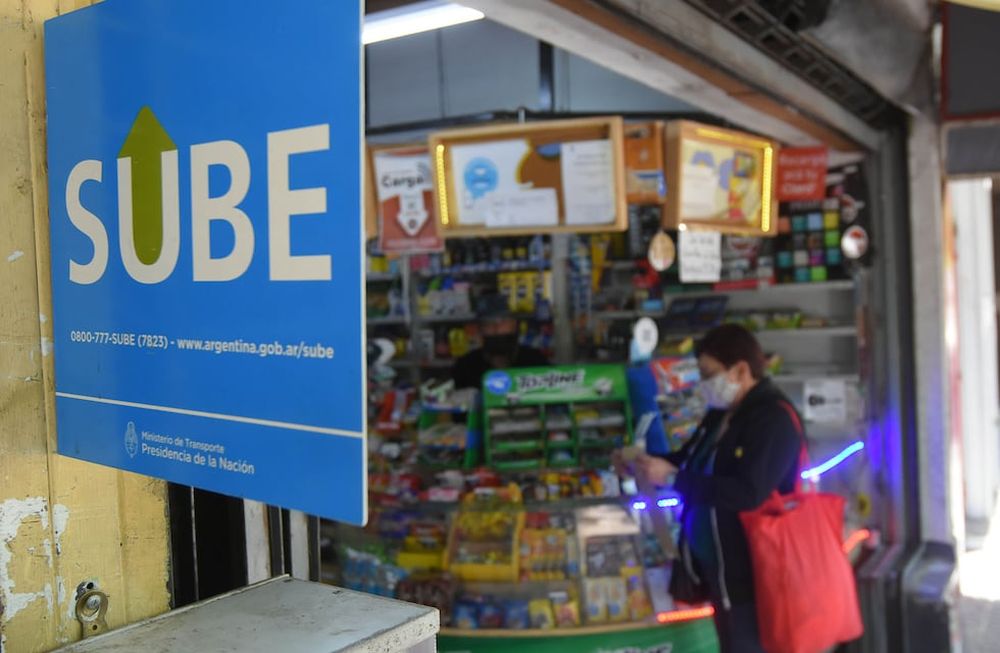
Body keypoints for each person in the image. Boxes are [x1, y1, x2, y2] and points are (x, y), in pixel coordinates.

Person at [616, 324, 803, 653]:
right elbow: (687, 460)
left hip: (754, 575)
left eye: (708, 374)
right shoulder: (721, 415)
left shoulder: (773, 419)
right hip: (718, 570)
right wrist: (642, 463)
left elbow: (747, 492)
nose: (702, 384)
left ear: (740, 370)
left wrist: (672, 479)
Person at [451, 296, 549, 390]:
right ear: (480, 330)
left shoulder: (535, 361)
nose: (497, 328)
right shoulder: (465, 366)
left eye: (503, 322)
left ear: (515, 325)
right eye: (488, 324)